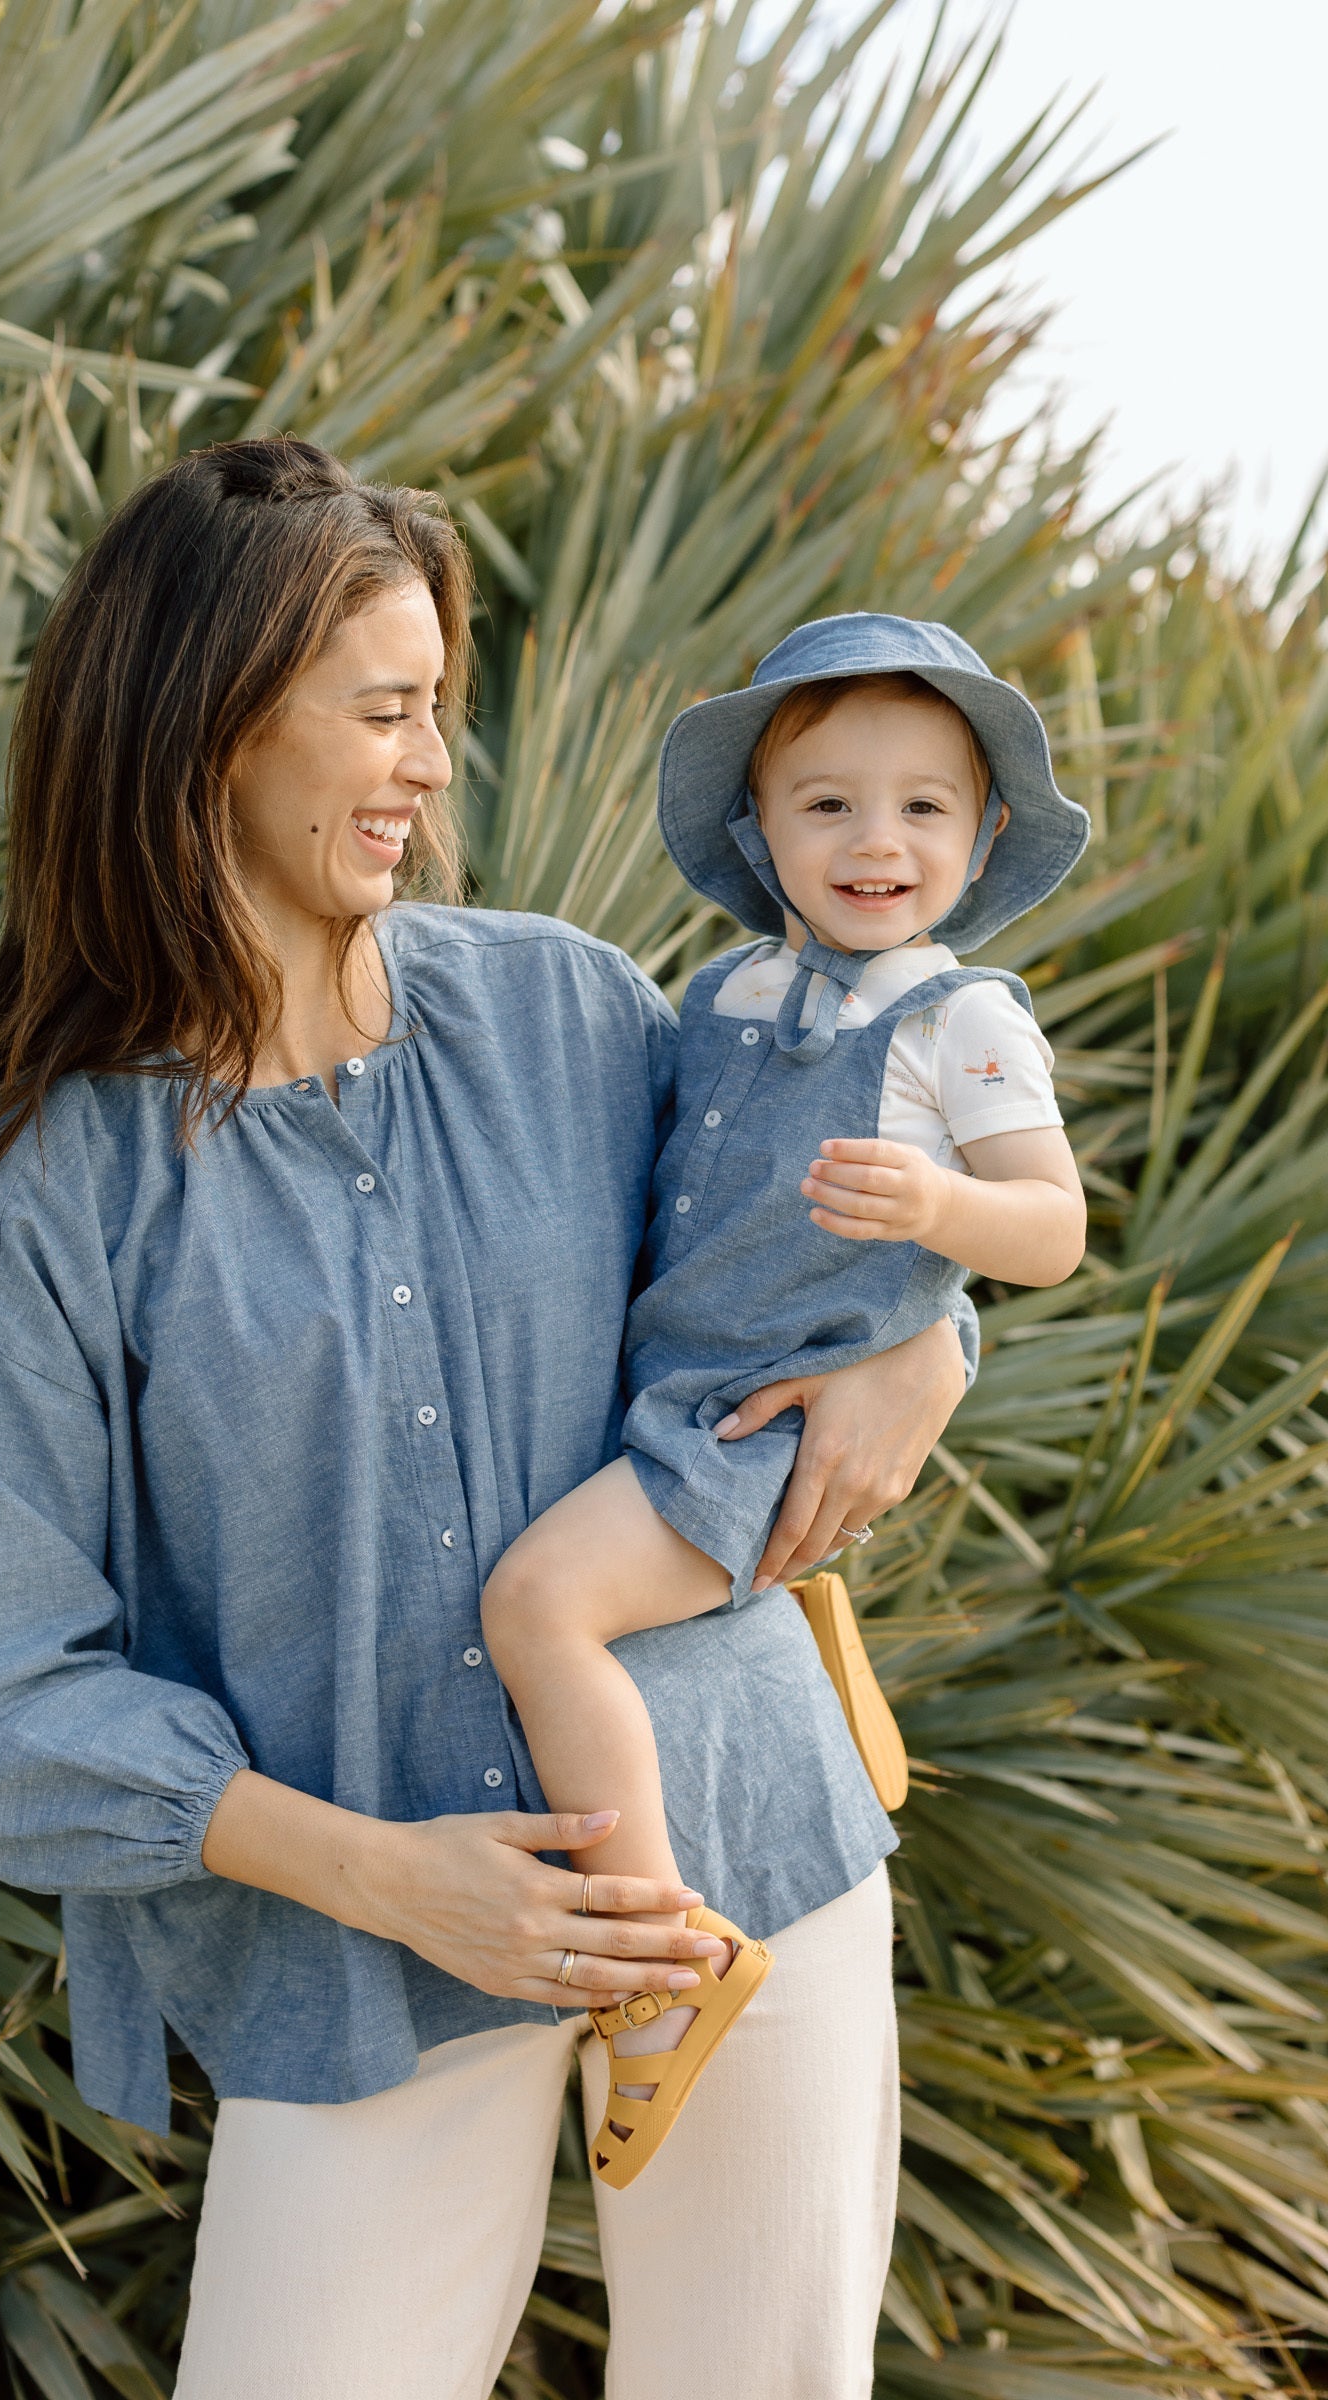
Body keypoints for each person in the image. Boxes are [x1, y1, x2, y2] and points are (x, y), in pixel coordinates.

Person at [0, 441, 978, 2400]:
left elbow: (812, 1230)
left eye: (435, 709)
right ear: (212, 725)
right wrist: (392, 1877)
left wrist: (924, 1349)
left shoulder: (565, 1010)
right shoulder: (41, 1197)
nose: (431, 765)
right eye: (384, 711)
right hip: (361, 1950)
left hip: (746, 1848)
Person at [480, 619, 1090, 2190]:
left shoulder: (961, 1022)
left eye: (923, 807)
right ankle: (784, 1674)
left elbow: (1054, 1226)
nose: (877, 840)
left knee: (540, 1607)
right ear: (760, 832)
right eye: (828, 804)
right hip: (666, 1396)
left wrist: (940, 1218)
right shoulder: (729, 989)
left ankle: (659, 1965)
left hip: (761, 1426)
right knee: (566, 1597)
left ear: (984, 835)